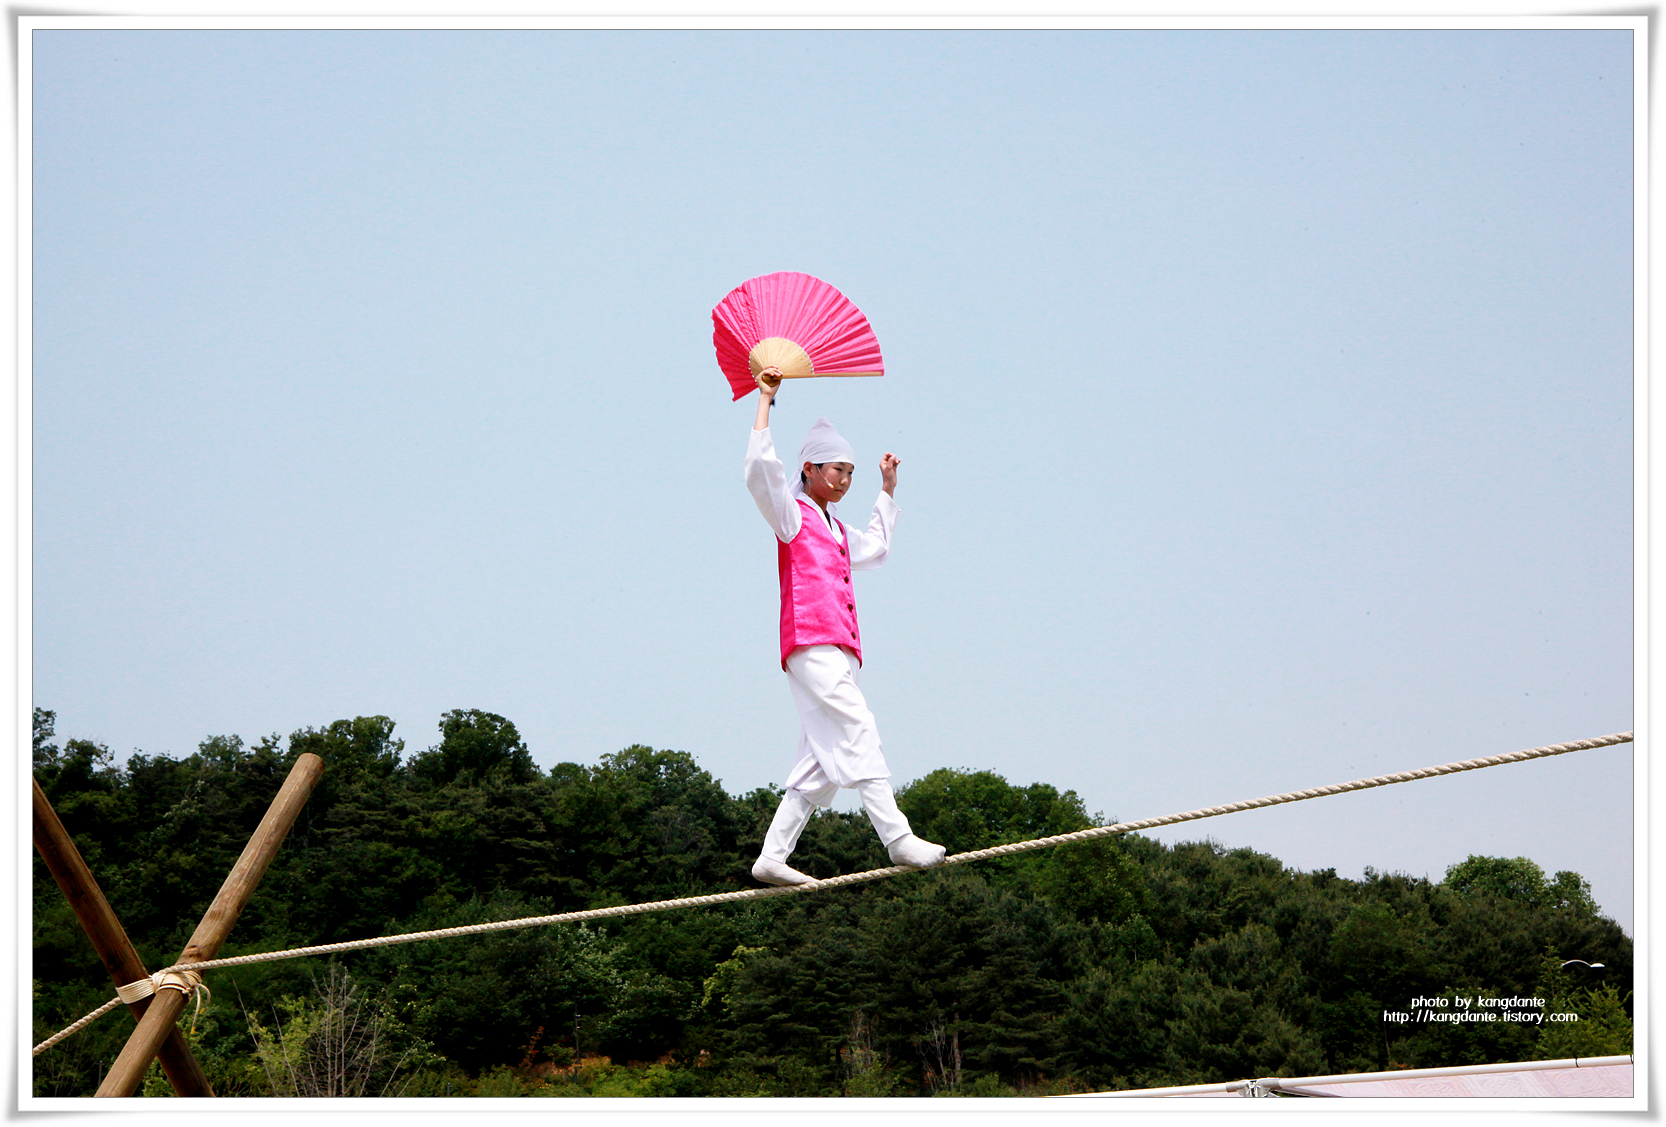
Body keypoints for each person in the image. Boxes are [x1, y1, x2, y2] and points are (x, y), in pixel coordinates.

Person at [743, 364, 946, 886]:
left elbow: (874, 549)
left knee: (820, 761)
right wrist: (765, 402)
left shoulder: (835, 527)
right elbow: (761, 473)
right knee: (858, 727)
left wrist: (887, 489)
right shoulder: (792, 515)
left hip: (837, 649)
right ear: (809, 469)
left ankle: (772, 856)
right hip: (811, 642)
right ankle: (897, 838)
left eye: (850, 472)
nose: (844, 480)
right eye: (837, 469)